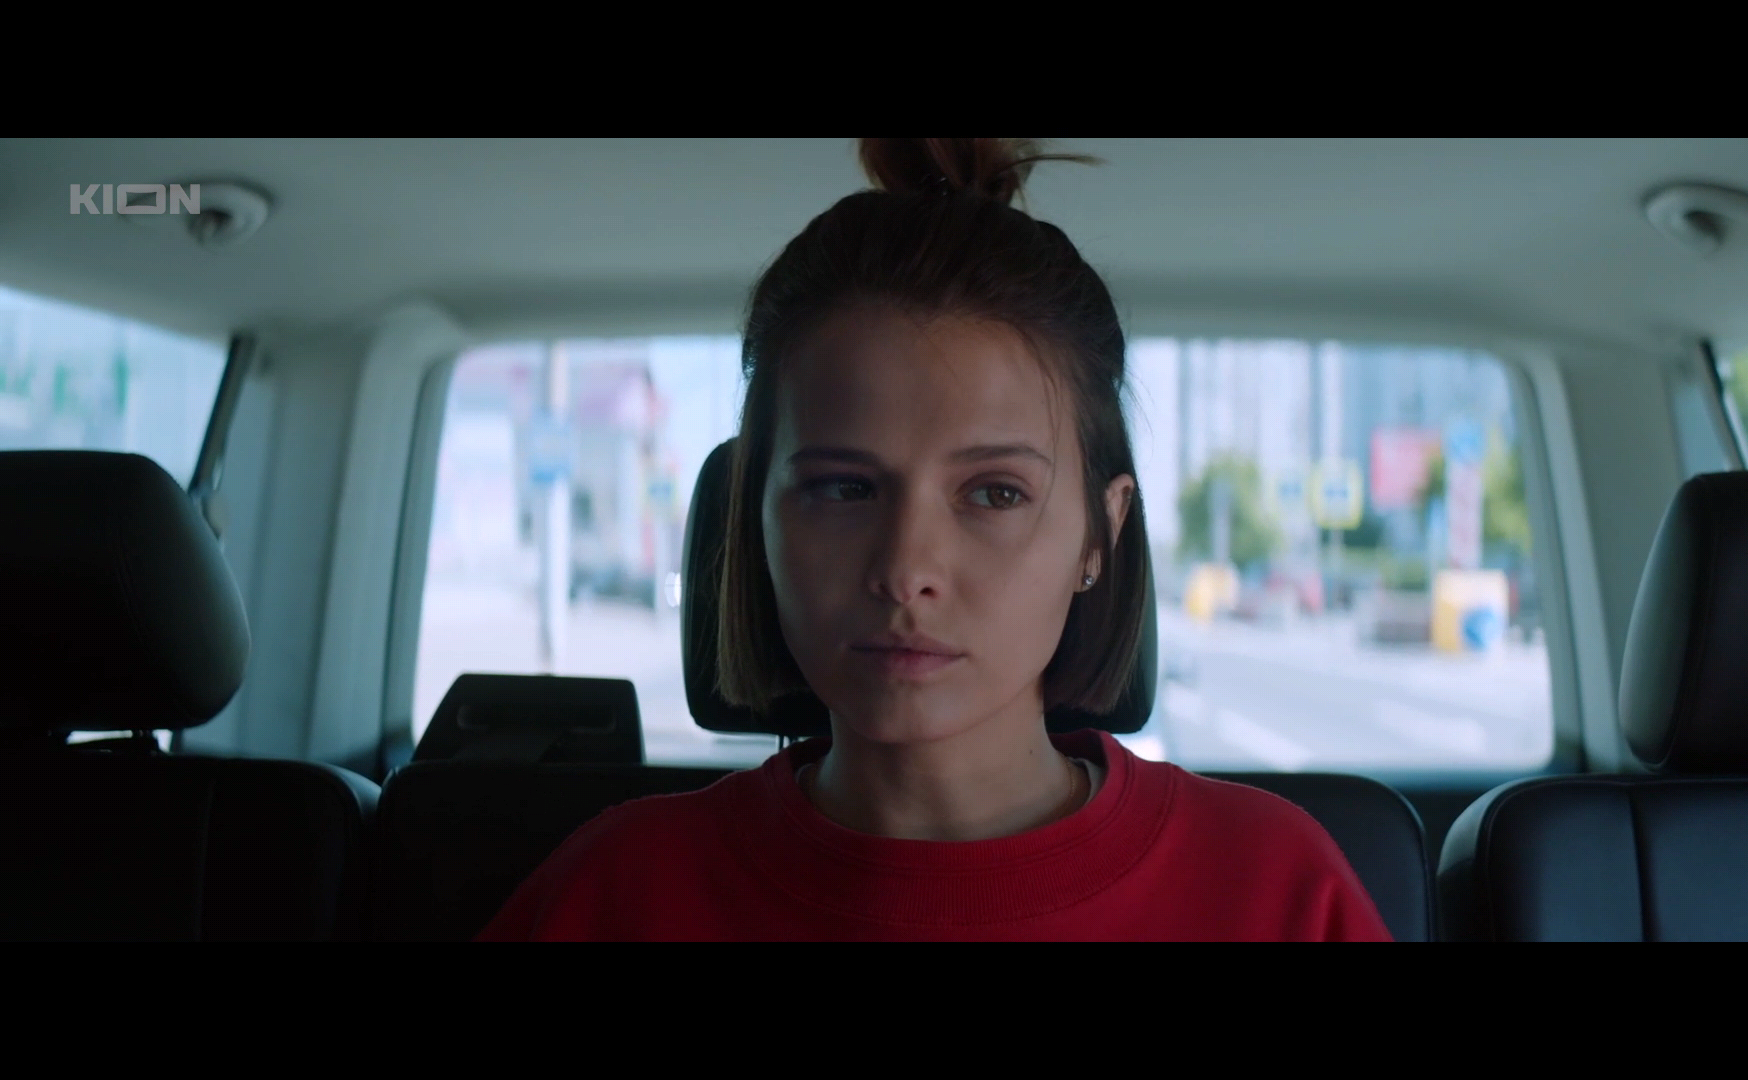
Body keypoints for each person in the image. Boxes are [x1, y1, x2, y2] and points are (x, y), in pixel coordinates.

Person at [478, 138, 1392, 941]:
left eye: (995, 493)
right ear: (754, 520)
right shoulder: (615, 893)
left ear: (1100, 536)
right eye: (843, 488)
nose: (905, 570)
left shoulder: (1274, 889)